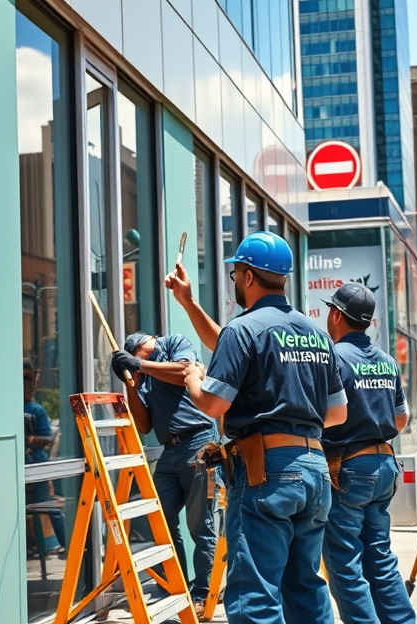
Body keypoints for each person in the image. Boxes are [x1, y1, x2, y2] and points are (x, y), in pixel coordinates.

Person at [168, 231, 348, 624]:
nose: (234, 282)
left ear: (248, 277)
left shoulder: (244, 329)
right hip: (315, 469)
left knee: (255, 593)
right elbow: (336, 414)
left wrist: (194, 379)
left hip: (266, 471)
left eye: (235, 274)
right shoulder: (315, 333)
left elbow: (214, 402)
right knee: (304, 586)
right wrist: (189, 303)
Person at [319, 282, 415, 624]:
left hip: (349, 467)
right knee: (380, 557)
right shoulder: (388, 361)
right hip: (385, 464)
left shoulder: (334, 357)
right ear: (369, 322)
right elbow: (401, 418)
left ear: (335, 315)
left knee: (344, 563)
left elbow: (325, 414)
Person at [109, 331, 220, 614]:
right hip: (169, 452)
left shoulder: (174, 344)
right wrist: (131, 384)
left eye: (135, 351)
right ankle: (175, 587)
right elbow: (143, 426)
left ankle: (203, 593)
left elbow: (185, 372)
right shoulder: (143, 378)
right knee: (160, 519)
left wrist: (139, 365)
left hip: (199, 443)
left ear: (149, 341)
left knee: (201, 523)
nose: (135, 357)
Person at [24, 362, 66, 558]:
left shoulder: (36, 410)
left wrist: (29, 440)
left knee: (46, 506)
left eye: (28, 380)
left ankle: (65, 543)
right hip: (25, 467)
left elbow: (48, 439)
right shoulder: (16, 407)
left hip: (36, 466)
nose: (27, 385)